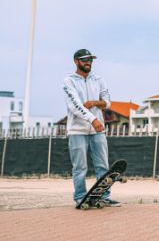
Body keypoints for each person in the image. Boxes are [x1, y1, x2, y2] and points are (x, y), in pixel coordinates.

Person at [63, 49, 120, 207]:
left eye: (90, 60)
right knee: (80, 167)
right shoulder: (69, 81)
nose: (88, 62)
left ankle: (104, 197)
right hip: (77, 131)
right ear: (76, 61)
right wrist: (93, 119)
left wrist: (95, 103)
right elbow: (75, 105)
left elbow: (108, 102)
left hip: (97, 131)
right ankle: (80, 197)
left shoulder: (99, 79)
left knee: (103, 165)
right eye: (84, 60)